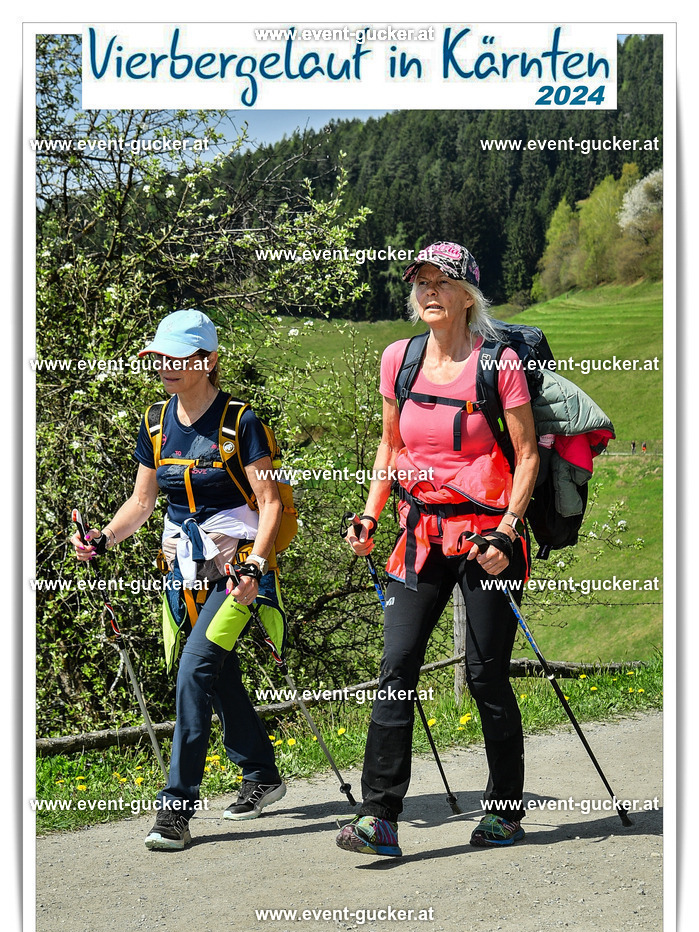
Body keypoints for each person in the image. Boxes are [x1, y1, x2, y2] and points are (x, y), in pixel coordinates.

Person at [336, 242, 540, 857]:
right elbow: (390, 447)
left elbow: (527, 455)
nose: (428, 292)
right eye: (420, 282)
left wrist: (507, 532)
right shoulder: (398, 359)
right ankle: (379, 817)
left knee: (485, 677)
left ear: (467, 296)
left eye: (441, 282)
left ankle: (504, 811)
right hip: (419, 536)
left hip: (487, 540)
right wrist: (370, 514)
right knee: (396, 667)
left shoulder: (499, 363)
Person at [71, 310, 286, 850]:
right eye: (160, 357)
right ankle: (261, 774)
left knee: (193, 672)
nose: (166, 366)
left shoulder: (242, 423)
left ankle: (175, 810)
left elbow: (271, 503)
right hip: (182, 568)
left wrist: (255, 568)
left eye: (178, 357)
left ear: (208, 361)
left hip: (237, 571)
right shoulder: (154, 421)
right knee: (215, 673)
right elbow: (143, 502)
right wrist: (103, 538)